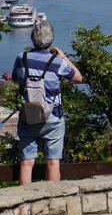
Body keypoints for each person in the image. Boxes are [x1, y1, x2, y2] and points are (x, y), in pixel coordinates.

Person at [13, 21, 82, 185]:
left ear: (32, 39)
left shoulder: (21, 59)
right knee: (52, 161)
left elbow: (17, 79)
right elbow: (78, 77)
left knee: (27, 162)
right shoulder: (57, 62)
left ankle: (24, 203)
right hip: (53, 116)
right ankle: (52, 202)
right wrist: (63, 56)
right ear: (51, 39)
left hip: (29, 114)